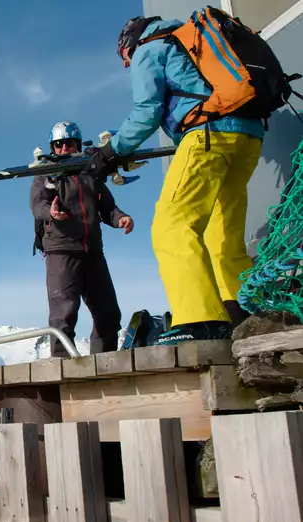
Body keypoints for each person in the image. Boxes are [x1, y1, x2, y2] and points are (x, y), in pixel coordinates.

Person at [85, 13, 266, 344]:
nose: (126, 64)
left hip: (208, 135)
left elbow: (146, 113)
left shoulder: (149, 48)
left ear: (128, 43)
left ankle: (202, 320)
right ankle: (245, 316)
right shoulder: (187, 42)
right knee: (220, 235)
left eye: (122, 56)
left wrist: (108, 154)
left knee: (172, 226)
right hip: (248, 137)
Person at [31, 121, 134, 357]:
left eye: (70, 143)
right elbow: (37, 204)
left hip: (93, 252)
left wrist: (121, 218)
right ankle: (62, 367)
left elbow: (107, 206)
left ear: (77, 143)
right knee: (64, 314)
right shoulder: (46, 172)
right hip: (61, 250)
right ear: (53, 147)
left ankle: (104, 361)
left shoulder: (90, 173)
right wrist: (51, 212)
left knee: (108, 313)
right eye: (59, 144)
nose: (65, 147)